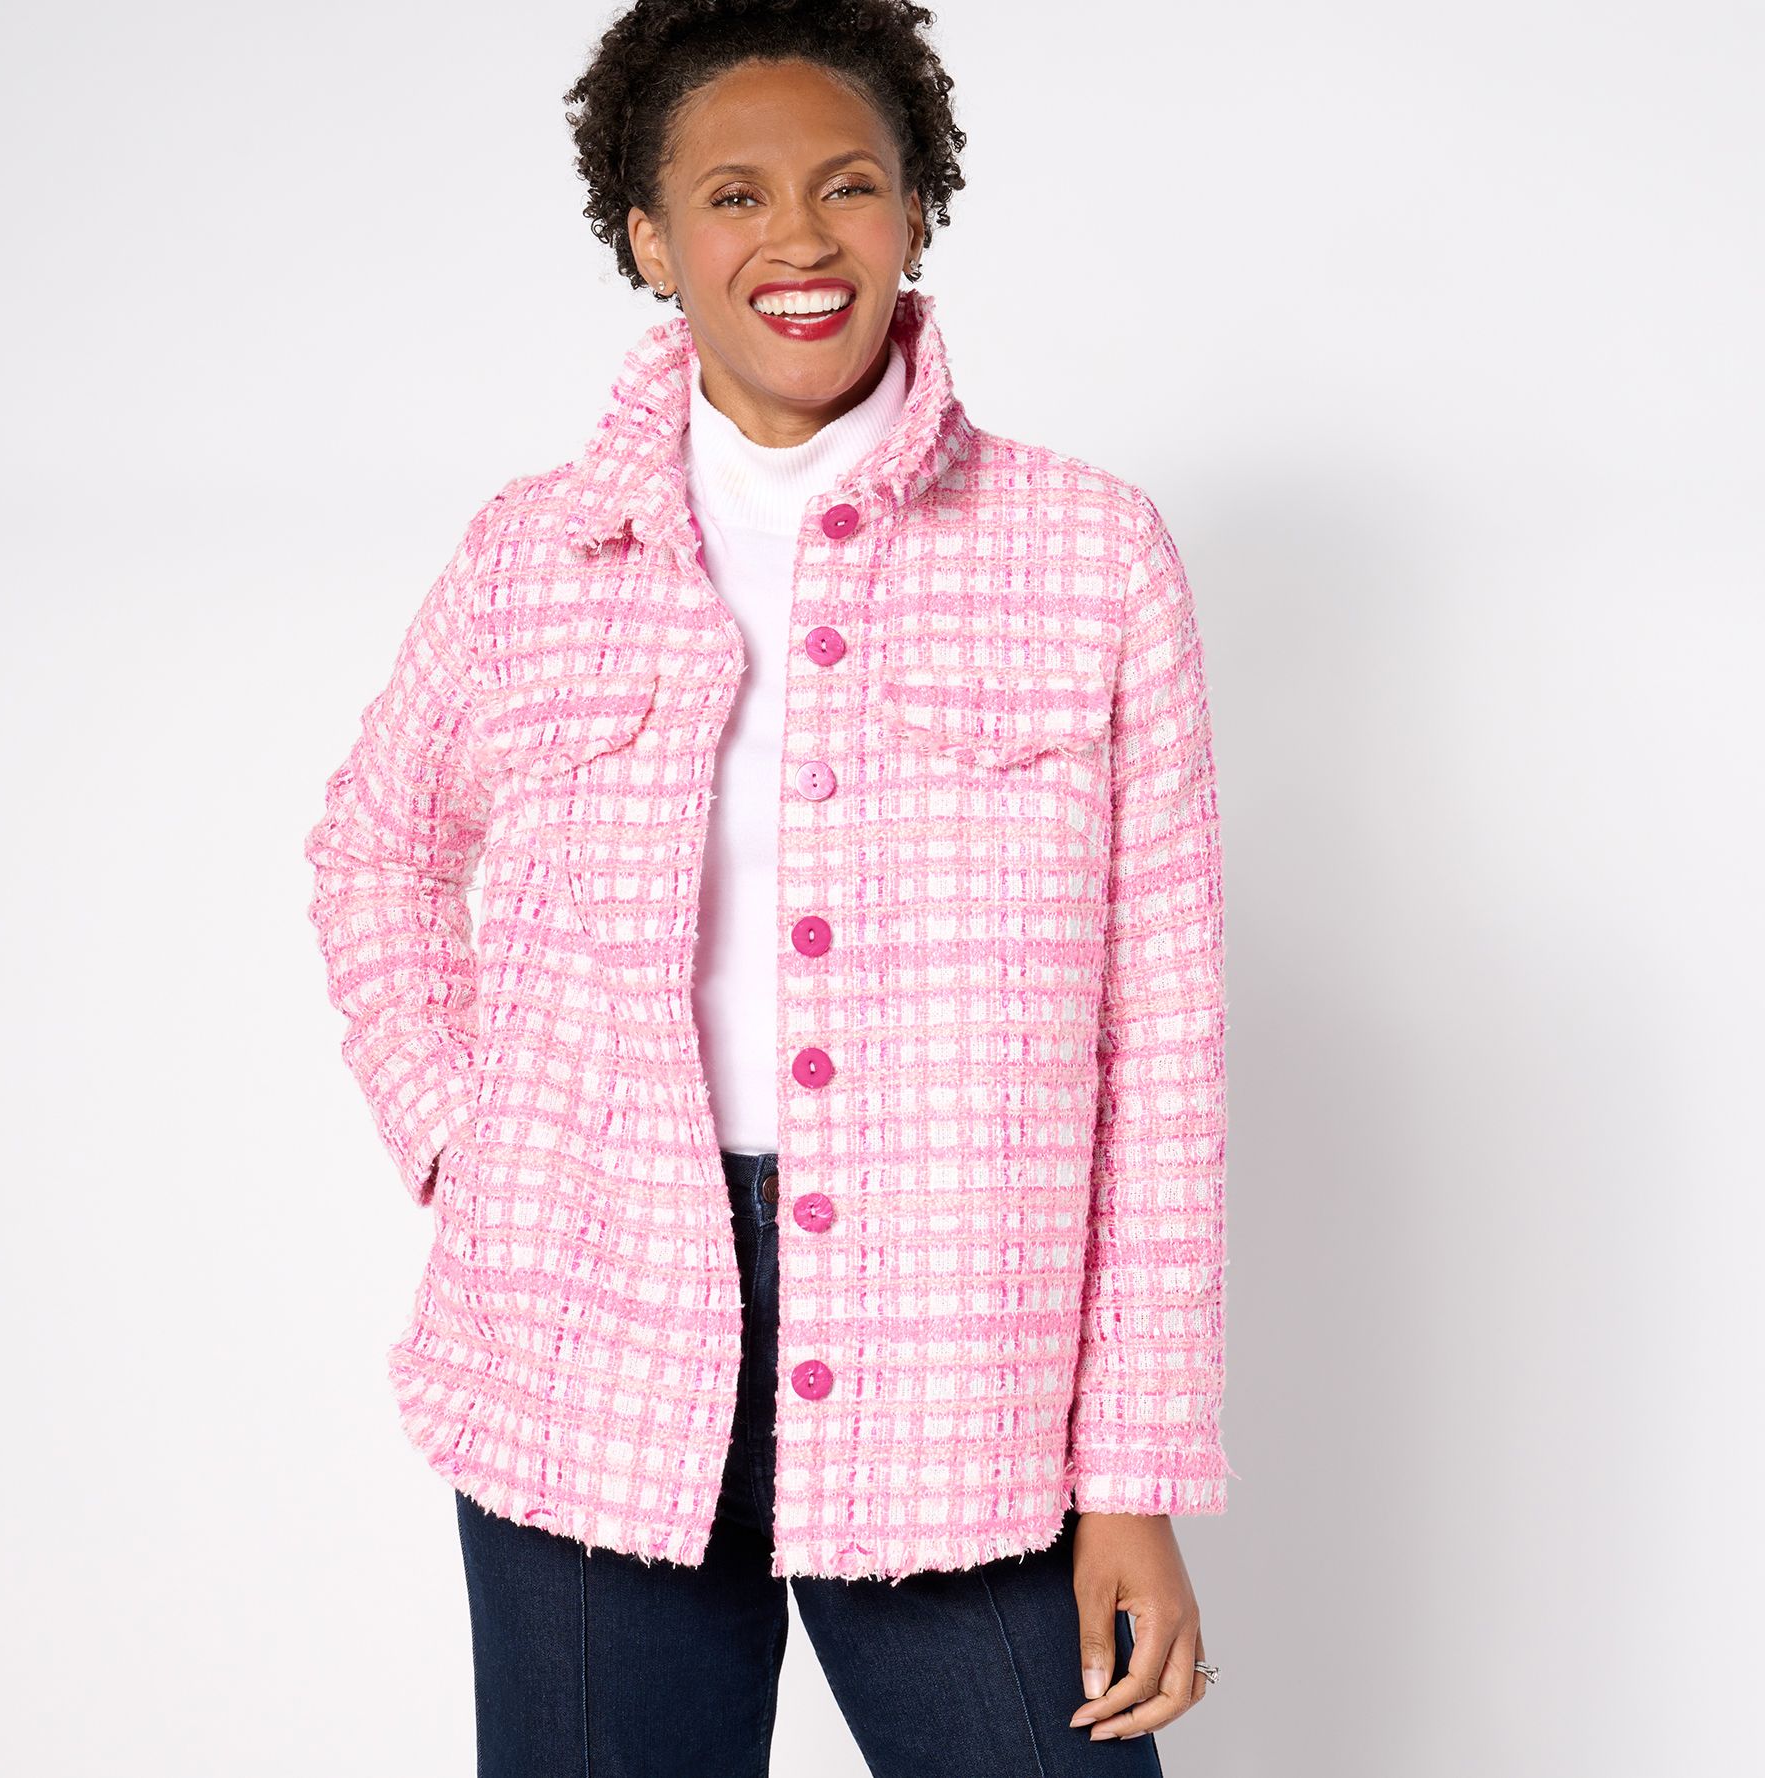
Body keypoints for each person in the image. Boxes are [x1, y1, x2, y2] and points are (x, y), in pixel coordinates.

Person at [303, 3, 1231, 1771]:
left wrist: (1132, 1470)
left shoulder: (1088, 553)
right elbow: (377, 849)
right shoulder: (532, 556)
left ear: (915, 209)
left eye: (848, 185)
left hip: (958, 1355)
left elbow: (1161, 1038)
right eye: (734, 194)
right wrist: (468, 1143)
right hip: (583, 1331)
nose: (800, 238)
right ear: (651, 238)